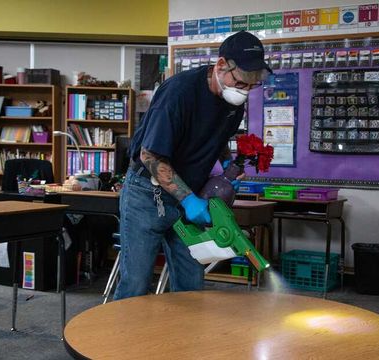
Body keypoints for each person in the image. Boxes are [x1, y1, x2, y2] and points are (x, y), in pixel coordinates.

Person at [114, 31, 271, 300]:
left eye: (251, 86)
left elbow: (216, 136)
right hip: (146, 195)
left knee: (191, 285)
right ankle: (119, 342)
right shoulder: (178, 94)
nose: (244, 91)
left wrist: (226, 165)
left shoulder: (232, 104)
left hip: (191, 194)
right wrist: (188, 200)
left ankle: (183, 342)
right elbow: (150, 156)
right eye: (241, 82)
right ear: (221, 65)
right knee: (136, 285)